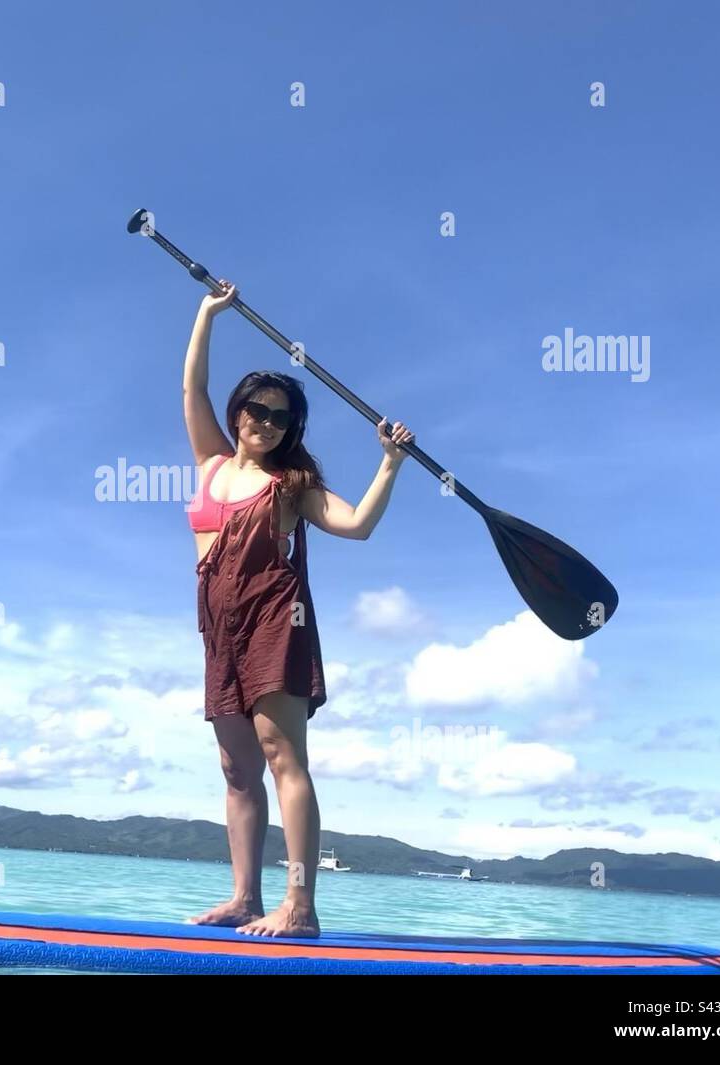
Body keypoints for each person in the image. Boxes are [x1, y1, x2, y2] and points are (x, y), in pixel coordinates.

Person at [183, 279, 413, 938]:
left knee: (283, 754)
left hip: (275, 617)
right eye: (257, 407)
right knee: (235, 768)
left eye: (280, 416)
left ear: (291, 430)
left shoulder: (292, 484)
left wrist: (389, 464)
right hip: (217, 624)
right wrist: (208, 314)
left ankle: (301, 905)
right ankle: (244, 899)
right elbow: (191, 389)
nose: (265, 420)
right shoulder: (209, 463)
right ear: (239, 411)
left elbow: (359, 524)